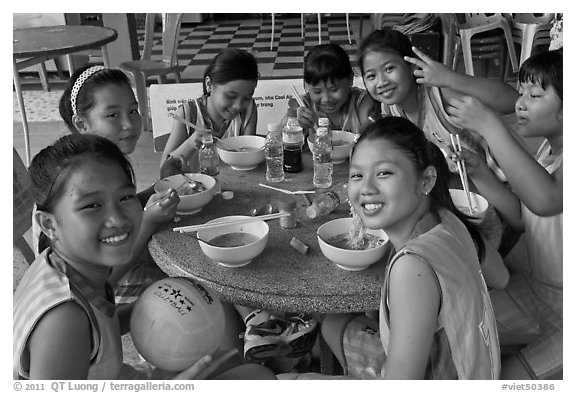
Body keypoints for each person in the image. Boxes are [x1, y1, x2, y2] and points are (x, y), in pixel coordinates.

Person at [14, 133, 276, 380]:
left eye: (125, 197)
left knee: (237, 364)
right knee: (258, 376)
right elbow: (78, 334)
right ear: (48, 224)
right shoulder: (63, 320)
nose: (117, 218)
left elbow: (95, 331)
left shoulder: (66, 263)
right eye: (91, 205)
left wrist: (153, 310)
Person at [282, 117, 501, 379]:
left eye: (384, 173)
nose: (367, 188)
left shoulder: (412, 267)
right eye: (357, 175)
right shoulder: (447, 217)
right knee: (333, 323)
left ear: (426, 181)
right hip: (477, 368)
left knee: (289, 380)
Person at [445, 49, 563, 380]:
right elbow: (525, 218)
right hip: (538, 292)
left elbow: (545, 200)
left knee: (506, 378)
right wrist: (480, 171)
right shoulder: (548, 150)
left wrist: (489, 125)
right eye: (521, 91)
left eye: (535, 95)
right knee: (456, 332)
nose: (520, 103)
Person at [55, 64, 179, 303]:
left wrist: (159, 186)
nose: (129, 124)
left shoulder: (103, 160)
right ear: (81, 124)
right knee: (193, 282)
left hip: (111, 265)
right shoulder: (82, 181)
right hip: (95, 293)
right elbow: (105, 278)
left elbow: (122, 207)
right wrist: (150, 220)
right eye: (113, 115)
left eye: (133, 111)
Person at [358, 28, 520, 179]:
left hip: (508, 178)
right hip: (463, 183)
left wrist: (451, 79)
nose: (381, 82)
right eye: (371, 76)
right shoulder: (390, 106)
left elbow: (513, 101)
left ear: (411, 65)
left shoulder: (441, 96)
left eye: (389, 69)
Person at [160, 48, 259, 177]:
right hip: (197, 189)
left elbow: (247, 160)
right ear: (209, 85)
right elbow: (164, 170)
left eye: (247, 97)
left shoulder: (248, 110)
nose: (239, 105)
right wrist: (190, 144)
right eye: (230, 96)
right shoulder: (188, 113)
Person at [294, 43, 376, 135]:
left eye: (334, 90)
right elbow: (279, 136)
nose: (326, 99)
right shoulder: (304, 105)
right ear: (306, 85)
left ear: (350, 79)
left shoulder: (361, 102)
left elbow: (372, 133)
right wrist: (293, 123)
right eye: (317, 91)